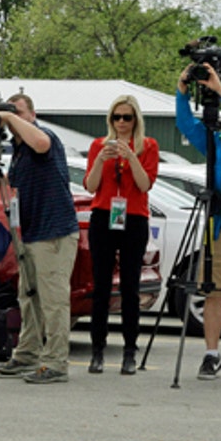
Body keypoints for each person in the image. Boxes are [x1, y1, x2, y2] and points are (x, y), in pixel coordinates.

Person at [0, 94, 80, 384]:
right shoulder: (18, 151)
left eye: (18, 112)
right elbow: (13, 185)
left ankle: (56, 362)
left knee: (53, 301)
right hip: (30, 232)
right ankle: (27, 353)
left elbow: (42, 143)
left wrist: (9, 116)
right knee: (28, 298)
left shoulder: (43, 136)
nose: (11, 119)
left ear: (32, 114)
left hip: (54, 232)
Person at [175, 62, 221, 380]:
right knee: (214, 293)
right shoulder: (218, 144)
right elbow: (187, 126)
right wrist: (182, 92)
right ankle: (211, 355)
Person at [82, 96, 158, 375]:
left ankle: (129, 351)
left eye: (127, 117)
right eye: (117, 117)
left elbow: (144, 184)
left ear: (135, 120)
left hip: (134, 217)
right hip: (104, 216)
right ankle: (97, 350)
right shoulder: (98, 146)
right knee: (101, 286)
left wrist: (131, 157)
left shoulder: (148, 146)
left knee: (130, 288)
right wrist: (102, 160)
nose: (122, 123)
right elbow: (90, 187)